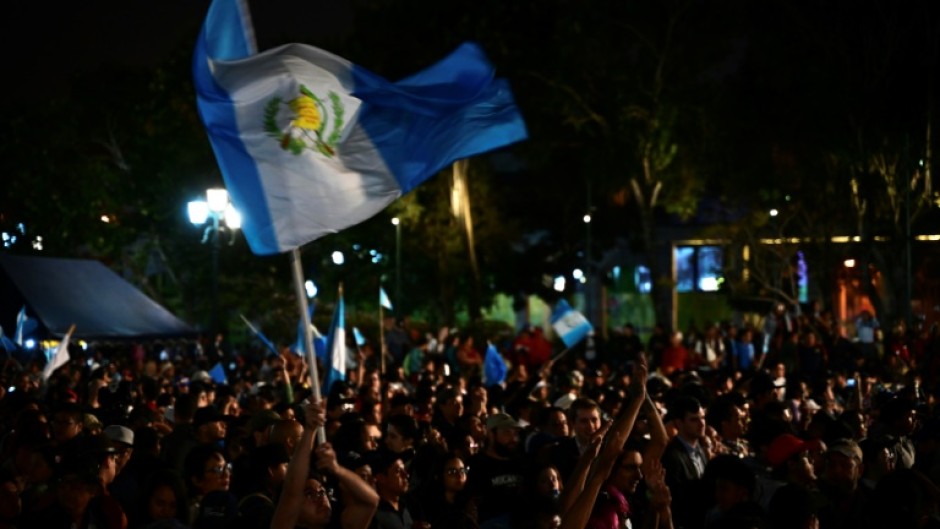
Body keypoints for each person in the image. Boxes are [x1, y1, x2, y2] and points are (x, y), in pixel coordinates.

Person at [271, 399, 379, 529]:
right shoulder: (283, 524)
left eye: (322, 492)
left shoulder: (341, 524)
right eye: (309, 494)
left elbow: (371, 501)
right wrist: (310, 430)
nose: (320, 498)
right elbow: (292, 489)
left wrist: (337, 469)